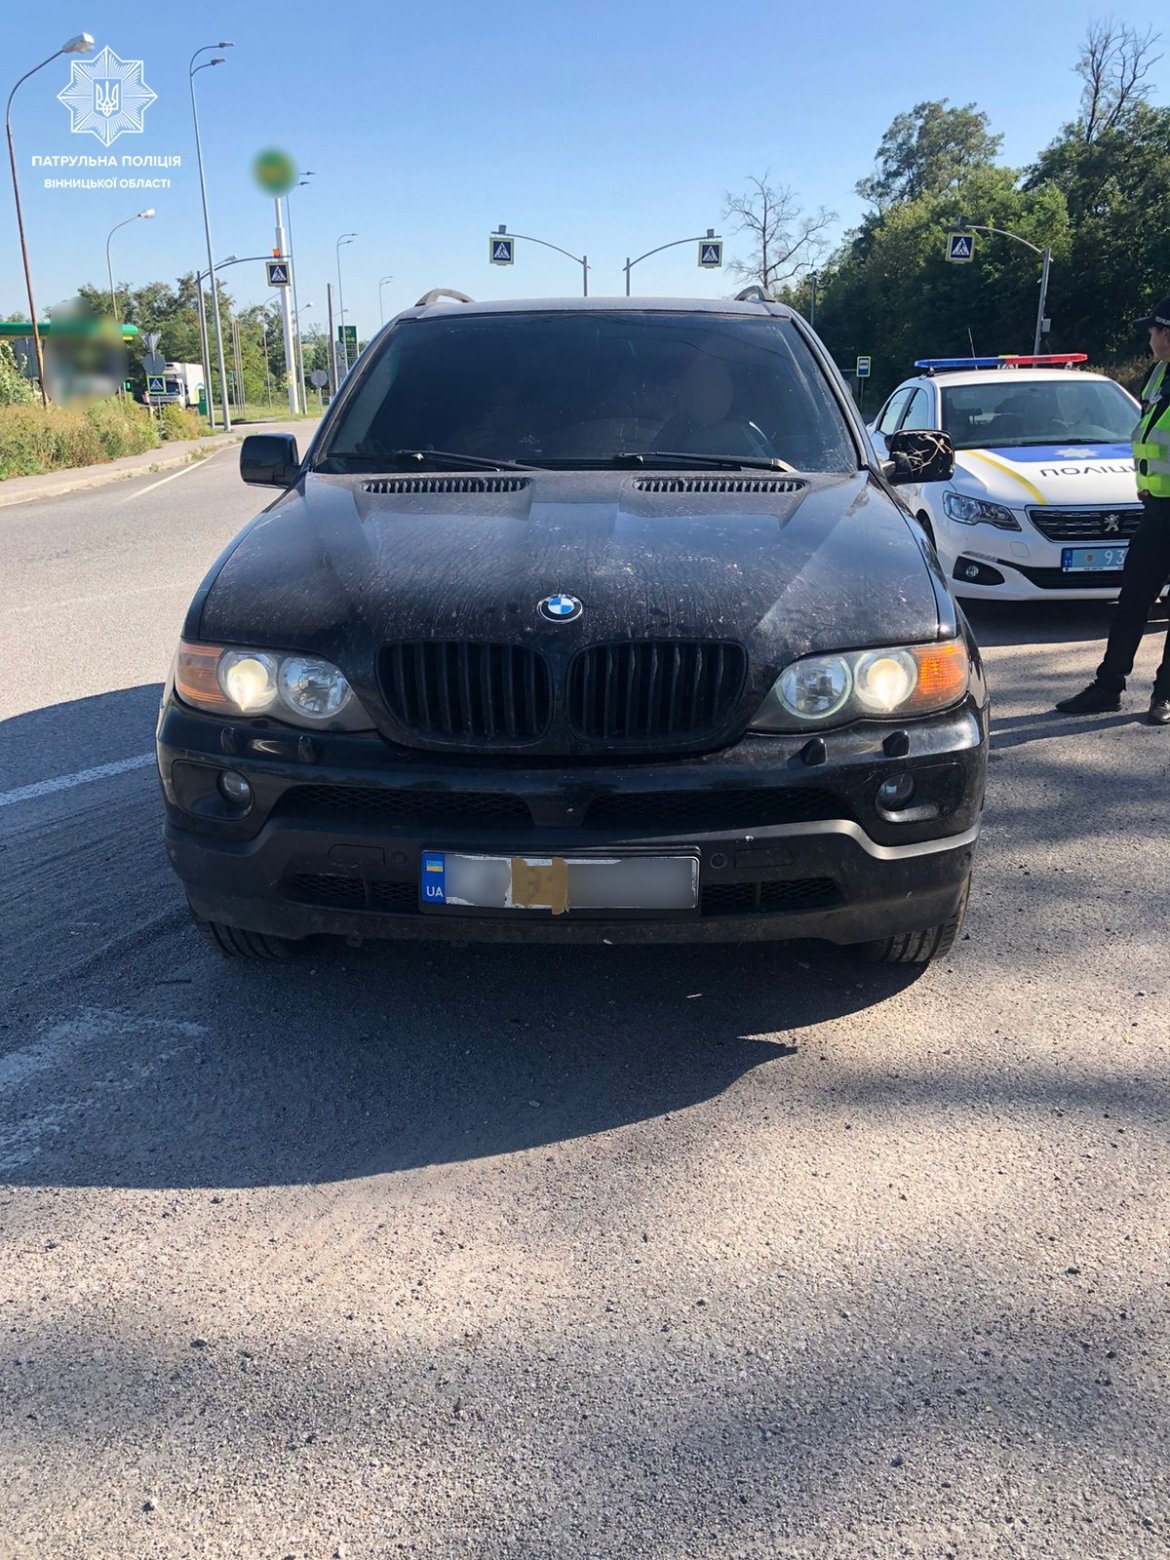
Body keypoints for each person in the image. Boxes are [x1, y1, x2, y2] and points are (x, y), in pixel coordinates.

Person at [1056, 298, 1170, 725]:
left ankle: (1164, 696)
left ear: (1167, 333)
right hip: (1157, 510)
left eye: (1152, 331)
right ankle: (1108, 688)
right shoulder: (1158, 374)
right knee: (1132, 601)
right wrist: (1146, 484)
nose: (1149, 338)